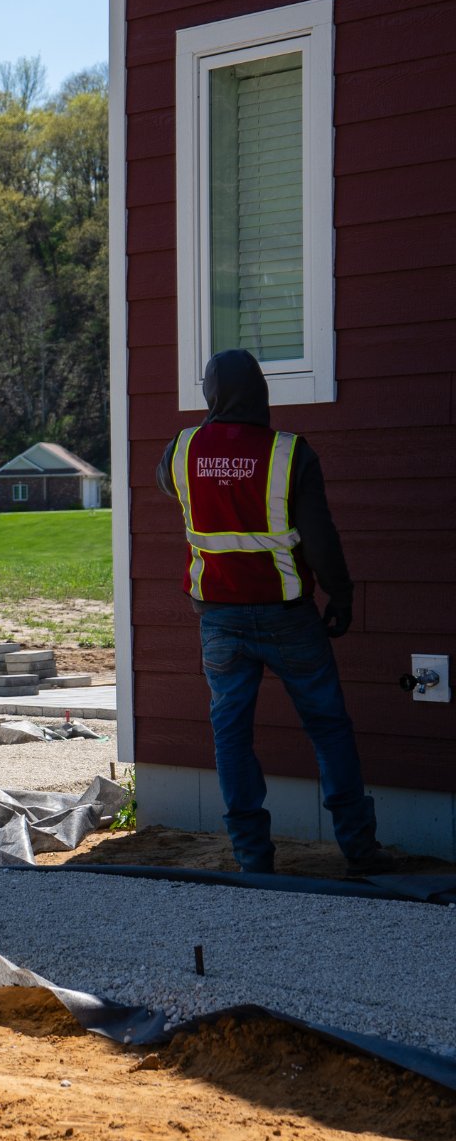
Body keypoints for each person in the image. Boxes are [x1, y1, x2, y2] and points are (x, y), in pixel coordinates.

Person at [157, 349, 392, 876]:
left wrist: (213, 436)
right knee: (328, 727)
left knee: (232, 736)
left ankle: (252, 859)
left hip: (218, 618)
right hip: (289, 616)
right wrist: (343, 595)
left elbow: (169, 482)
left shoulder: (182, 449)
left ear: (210, 394)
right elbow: (322, 541)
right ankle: (360, 851)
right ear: (262, 393)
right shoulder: (290, 454)